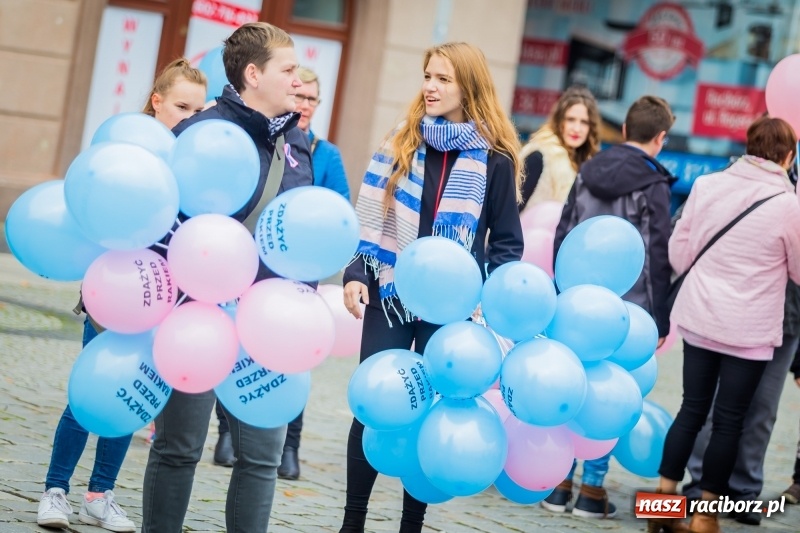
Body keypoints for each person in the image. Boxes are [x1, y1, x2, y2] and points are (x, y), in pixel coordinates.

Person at [339, 41, 524, 533]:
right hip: (392, 294)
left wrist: (487, 300)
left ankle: (411, 525)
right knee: (375, 401)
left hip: (452, 307)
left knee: (428, 411)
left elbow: (507, 242)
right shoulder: (401, 140)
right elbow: (372, 217)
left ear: (469, 86)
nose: (430, 87)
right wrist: (357, 273)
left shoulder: (495, 159)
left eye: (443, 78)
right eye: (427, 76)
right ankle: (352, 522)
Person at [141, 22, 313, 533]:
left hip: (268, 318)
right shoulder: (200, 132)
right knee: (179, 448)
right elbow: (161, 221)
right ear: (253, 74)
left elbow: (301, 229)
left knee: (261, 457)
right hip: (197, 314)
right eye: (288, 69)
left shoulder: (294, 140)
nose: (299, 80)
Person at [36, 58, 207, 531]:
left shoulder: (197, 163)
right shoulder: (129, 151)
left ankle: (100, 494)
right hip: (113, 291)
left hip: (163, 297)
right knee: (90, 392)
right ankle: (54, 490)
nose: (190, 118)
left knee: (131, 397)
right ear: (157, 101)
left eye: (198, 110)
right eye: (182, 107)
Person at [651, 116, 800, 533]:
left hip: (700, 318)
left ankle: (662, 505)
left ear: (748, 146)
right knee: (730, 421)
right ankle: (704, 518)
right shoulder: (789, 205)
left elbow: (679, 253)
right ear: (788, 157)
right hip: (749, 331)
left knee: (691, 410)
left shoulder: (707, 185)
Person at [547, 95, 675, 519]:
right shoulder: (653, 184)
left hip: (576, 303)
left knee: (571, 384)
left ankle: (559, 483)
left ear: (623, 131)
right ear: (660, 138)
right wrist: (659, 320)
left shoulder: (588, 170)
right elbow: (656, 256)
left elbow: (564, 233)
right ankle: (592, 491)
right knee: (610, 392)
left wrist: (560, 292)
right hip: (626, 311)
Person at [680, 164, 800, 527]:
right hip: (734, 311)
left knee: (763, 408)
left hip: (787, 316)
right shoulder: (741, 174)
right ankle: (699, 487)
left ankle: (742, 491)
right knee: (716, 406)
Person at [271, 66, 351, 481]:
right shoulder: (269, 139)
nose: (303, 105)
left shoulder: (327, 154)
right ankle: (228, 433)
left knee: (296, 353)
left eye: (310, 99)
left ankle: (290, 445)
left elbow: (341, 211)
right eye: (298, 96)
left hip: (303, 267)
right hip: (261, 259)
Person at [519, 85, 600, 210]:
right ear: (559, 121)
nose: (576, 129)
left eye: (584, 122)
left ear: (591, 127)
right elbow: (514, 208)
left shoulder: (587, 165)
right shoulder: (540, 155)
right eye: (571, 119)